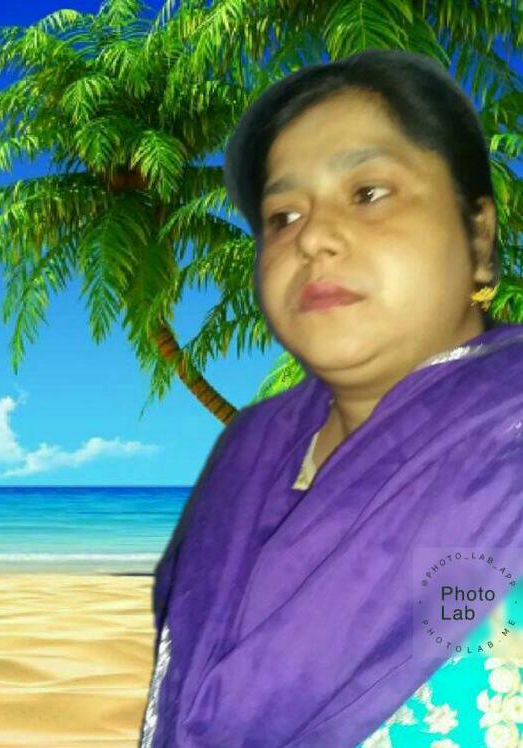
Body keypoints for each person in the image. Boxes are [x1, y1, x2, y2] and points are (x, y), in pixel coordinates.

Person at [139, 49, 523, 747]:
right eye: (281, 216)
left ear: (478, 237)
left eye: (368, 193)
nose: (311, 237)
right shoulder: (245, 454)